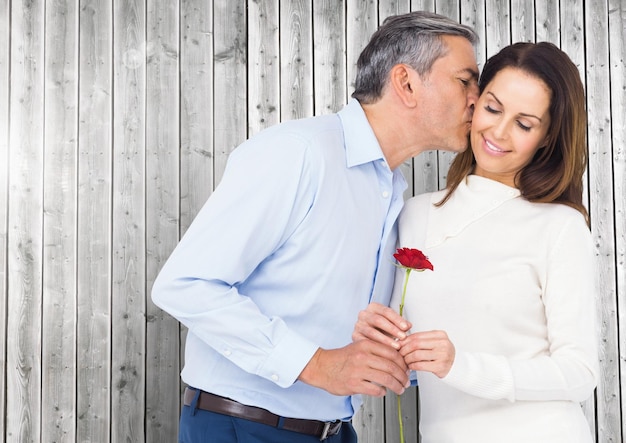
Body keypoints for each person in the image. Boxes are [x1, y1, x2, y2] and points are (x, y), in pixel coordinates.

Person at [151, 10, 480, 443]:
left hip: (333, 432)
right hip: (244, 428)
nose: (478, 97)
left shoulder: (391, 193)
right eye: (465, 80)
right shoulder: (297, 154)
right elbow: (184, 283)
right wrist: (318, 364)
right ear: (406, 83)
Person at [353, 41, 599, 442]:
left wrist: (461, 366)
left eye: (524, 124)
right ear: (474, 102)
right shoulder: (414, 213)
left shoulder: (560, 226)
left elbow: (580, 372)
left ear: (547, 137)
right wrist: (375, 336)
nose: (498, 132)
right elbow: (405, 353)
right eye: (493, 108)